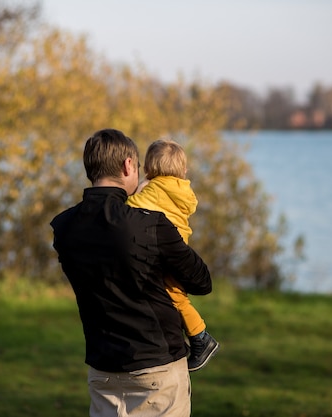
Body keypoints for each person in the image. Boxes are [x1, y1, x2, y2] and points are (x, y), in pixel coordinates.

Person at [50, 128, 212, 417]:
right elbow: (201, 281)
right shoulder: (149, 224)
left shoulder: (64, 227)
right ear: (128, 166)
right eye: (138, 167)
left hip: (103, 370)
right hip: (157, 371)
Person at [127, 139, 219, 372]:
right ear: (183, 170)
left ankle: (201, 337)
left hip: (165, 250)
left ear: (149, 168)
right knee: (174, 295)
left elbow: (130, 208)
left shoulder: (156, 189)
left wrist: (137, 187)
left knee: (175, 296)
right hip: (179, 247)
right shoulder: (181, 189)